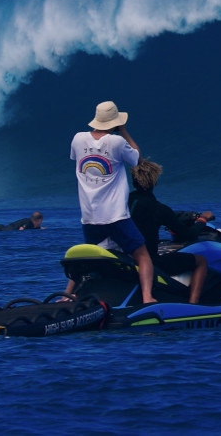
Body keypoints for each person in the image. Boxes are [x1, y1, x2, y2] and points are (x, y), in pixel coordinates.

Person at [64, 101, 155, 304]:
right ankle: (148, 297)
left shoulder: (78, 139)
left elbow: (78, 159)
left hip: (89, 216)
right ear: (114, 122)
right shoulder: (116, 142)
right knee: (143, 256)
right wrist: (124, 131)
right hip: (115, 215)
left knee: (89, 260)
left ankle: (71, 296)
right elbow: (138, 158)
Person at [128, 159, 208, 304]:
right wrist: (202, 220)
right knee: (201, 261)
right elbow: (188, 235)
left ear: (133, 182)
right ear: (155, 183)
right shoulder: (159, 208)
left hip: (125, 257)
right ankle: (193, 305)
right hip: (151, 261)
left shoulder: (124, 203)